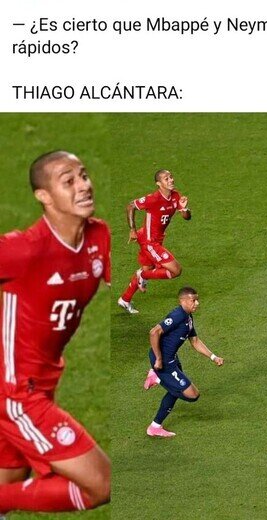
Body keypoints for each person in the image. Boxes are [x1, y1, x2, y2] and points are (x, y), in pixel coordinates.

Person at [0, 151, 111, 514]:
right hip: (17, 393)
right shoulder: (24, 250)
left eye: (84, 175)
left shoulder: (98, 236)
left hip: (42, 383)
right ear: (43, 196)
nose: (84, 185)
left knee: (9, 486)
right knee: (100, 483)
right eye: (69, 181)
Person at [143, 286, 223, 437]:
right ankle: (156, 377)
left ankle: (155, 426)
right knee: (193, 395)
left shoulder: (188, 317)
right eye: (193, 300)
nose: (197, 303)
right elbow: (154, 332)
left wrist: (213, 357)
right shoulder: (177, 315)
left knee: (175, 389)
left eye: (197, 300)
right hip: (163, 363)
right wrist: (158, 358)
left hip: (172, 359)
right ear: (183, 301)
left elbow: (195, 341)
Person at [118, 169, 191, 314]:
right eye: (166, 179)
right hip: (149, 242)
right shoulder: (153, 199)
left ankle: (125, 300)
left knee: (148, 269)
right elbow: (131, 206)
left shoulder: (175, 196)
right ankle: (142, 276)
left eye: (171, 177)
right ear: (159, 183)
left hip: (154, 238)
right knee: (176, 270)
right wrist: (132, 229)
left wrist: (184, 208)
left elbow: (187, 217)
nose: (171, 180)